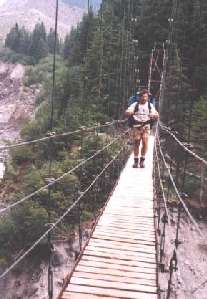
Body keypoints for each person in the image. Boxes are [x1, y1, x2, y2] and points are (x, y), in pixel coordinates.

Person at [125, 89, 159, 168]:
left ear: (148, 97)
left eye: (146, 97)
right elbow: (127, 112)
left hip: (146, 126)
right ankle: (136, 161)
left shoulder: (150, 105)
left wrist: (154, 116)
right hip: (136, 126)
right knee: (137, 142)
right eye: (143, 96)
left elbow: (157, 115)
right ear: (139, 97)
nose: (144, 98)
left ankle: (142, 160)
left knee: (145, 142)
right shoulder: (135, 105)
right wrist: (130, 112)